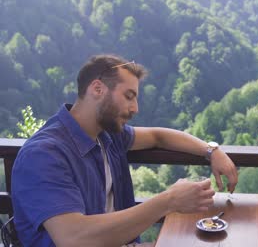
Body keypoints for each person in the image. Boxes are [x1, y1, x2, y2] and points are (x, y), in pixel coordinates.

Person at [11, 54, 238, 246]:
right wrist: (168, 201)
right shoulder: (44, 154)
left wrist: (211, 150)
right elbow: (73, 237)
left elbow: (159, 136)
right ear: (97, 89)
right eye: (128, 96)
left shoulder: (108, 135)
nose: (135, 108)